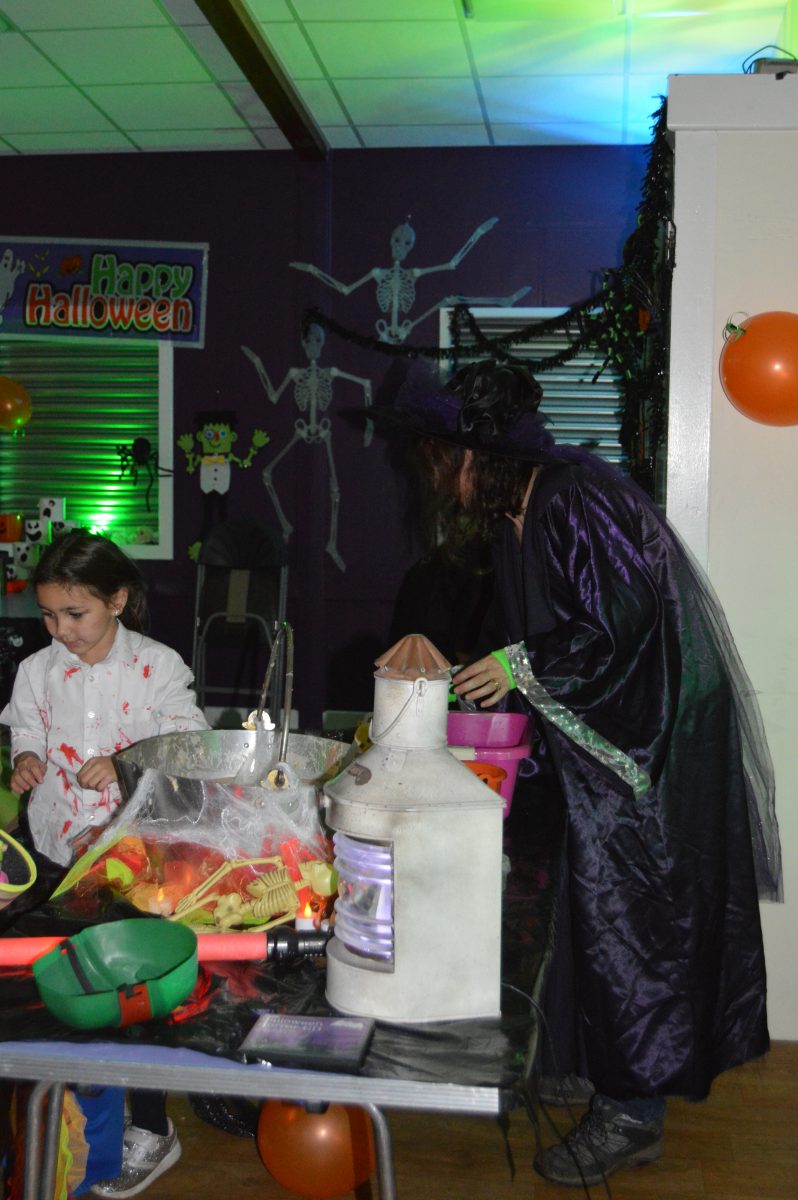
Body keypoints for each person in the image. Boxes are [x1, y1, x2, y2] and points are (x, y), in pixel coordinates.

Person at [364, 358, 782, 1189]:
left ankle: (632, 1112)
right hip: (600, 749)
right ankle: (589, 1063)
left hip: (645, 748)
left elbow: (622, 628)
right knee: (580, 913)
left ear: (482, 458)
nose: (442, 484)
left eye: (448, 464)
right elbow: (538, 630)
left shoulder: (576, 500)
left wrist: (517, 665)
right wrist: (495, 669)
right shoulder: (523, 513)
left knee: (634, 924)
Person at [0, 530, 209, 1197]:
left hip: (132, 856)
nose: (60, 630)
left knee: (132, 993)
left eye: (75, 613)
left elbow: (191, 745)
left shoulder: (159, 666)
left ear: (117, 600)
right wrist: (26, 759)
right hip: (57, 849)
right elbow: (27, 727)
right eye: (49, 615)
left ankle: (151, 1124)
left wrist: (127, 765)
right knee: (61, 979)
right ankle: (75, 1108)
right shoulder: (37, 670)